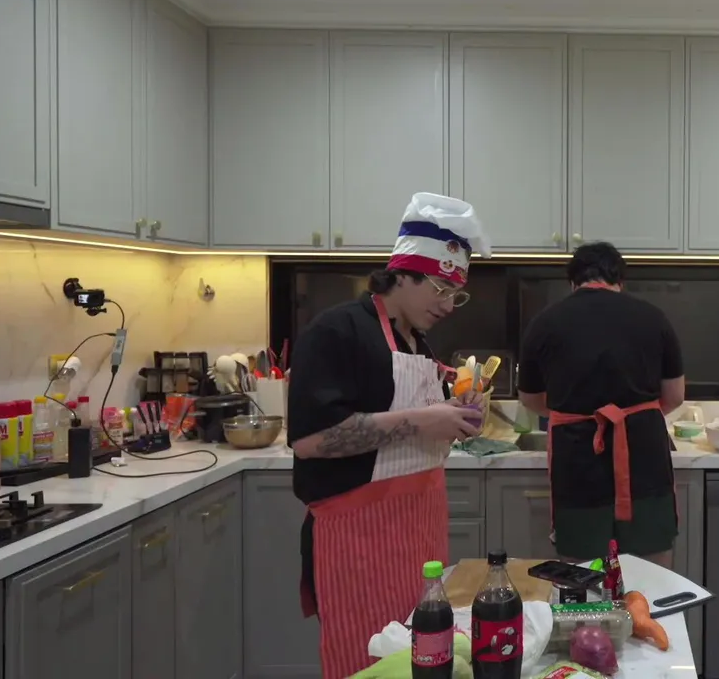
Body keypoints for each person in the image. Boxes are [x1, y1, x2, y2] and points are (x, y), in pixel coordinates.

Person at [286, 192, 488, 678]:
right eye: (440, 289)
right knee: (368, 662)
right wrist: (423, 420)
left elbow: (416, 434)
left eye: (456, 295)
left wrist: (455, 420)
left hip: (420, 531)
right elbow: (310, 440)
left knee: (426, 657)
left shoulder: (417, 342)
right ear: (403, 273)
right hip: (357, 540)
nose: (448, 305)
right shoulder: (337, 331)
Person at [517, 242, 686, 568]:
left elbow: (530, 398)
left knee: (582, 575)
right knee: (651, 572)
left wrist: (577, 416)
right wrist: (632, 417)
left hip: (577, 460)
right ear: (619, 280)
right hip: (644, 458)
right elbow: (674, 394)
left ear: (573, 282)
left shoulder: (545, 322)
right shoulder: (654, 318)